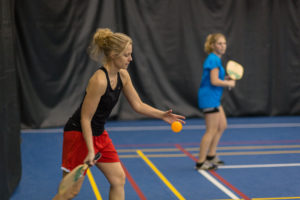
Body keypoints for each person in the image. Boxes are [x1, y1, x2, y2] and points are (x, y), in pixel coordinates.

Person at [53, 28, 186, 200]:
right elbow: (85, 118)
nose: (130, 58)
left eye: (131, 54)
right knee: (70, 192)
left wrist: (162, 115)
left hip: (99, 133)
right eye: (126, 55)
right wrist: (90, 150)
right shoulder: (99, 80)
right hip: (79, 134)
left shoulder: (123, 75)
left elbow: (138, 105)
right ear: (113, 55)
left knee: (118, 179)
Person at [195, 33, 235, 170]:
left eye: (224, 43)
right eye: (219, 43)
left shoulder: (215, 59)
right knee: (211, 130)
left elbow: (217, 77)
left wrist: (227, 78)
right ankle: (200, 162)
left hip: (215, 98)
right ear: (212, 45)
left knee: (222, 125)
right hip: (209, 98)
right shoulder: (213, 59)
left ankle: (211, 155)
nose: (223, 46)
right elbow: (214, 81)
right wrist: (229, 83)